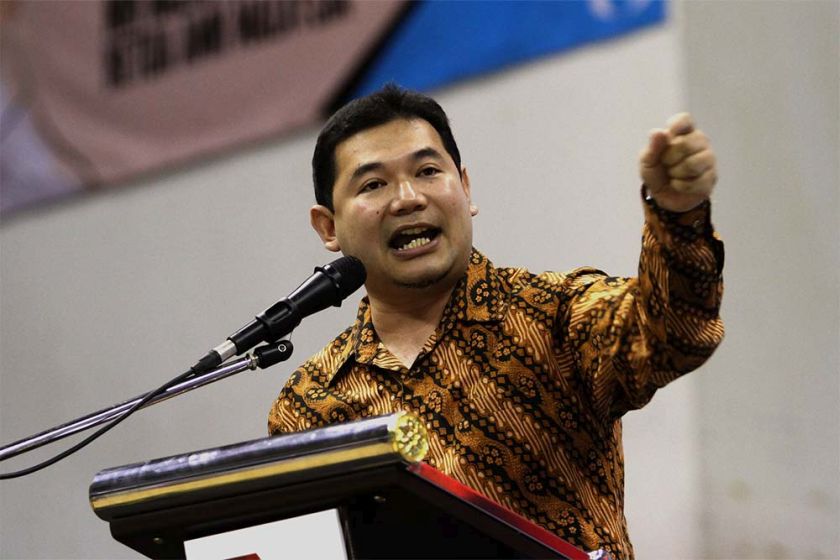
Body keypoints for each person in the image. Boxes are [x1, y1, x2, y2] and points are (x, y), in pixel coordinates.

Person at [267, 84, 723, 559]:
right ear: (328, 227)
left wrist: (678, 215)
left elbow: (674, 333)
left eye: (427, 171)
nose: (406, 198)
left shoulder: (555, 313)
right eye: (373, 185)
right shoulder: (309, 404)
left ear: (465, 188)